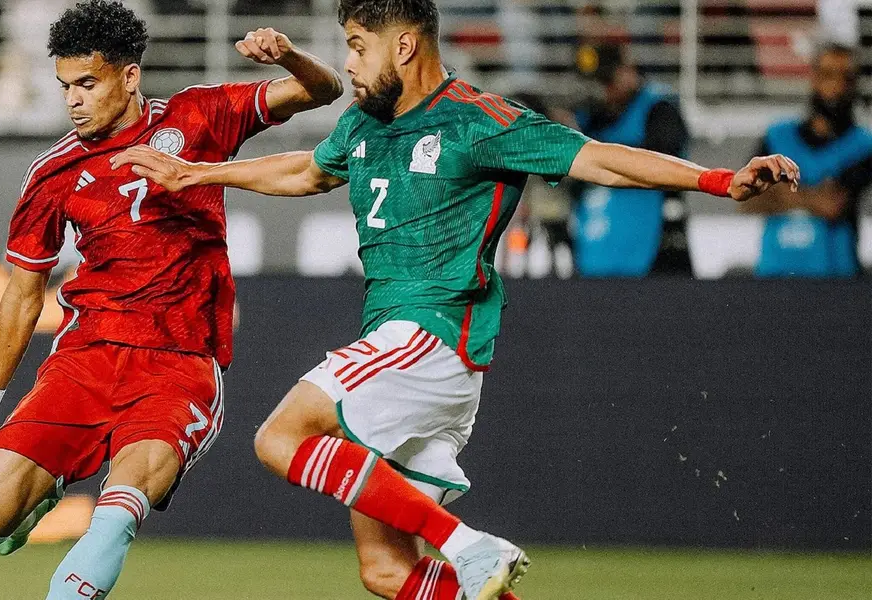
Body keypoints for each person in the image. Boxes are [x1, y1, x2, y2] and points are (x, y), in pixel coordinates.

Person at [111, 1, 798, 598]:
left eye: (357, 45)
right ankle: (468, 558)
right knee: (385, 571)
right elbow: (303, 170)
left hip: (431, 333)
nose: (347, 63)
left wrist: (717, 180)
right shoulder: (364, 123)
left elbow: (597, 157)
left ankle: (467, 542)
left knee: (280, 436)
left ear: (404, 45)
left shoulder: (481, 121)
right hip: (414, 355)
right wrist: (196, 172)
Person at [0, 2, 343, 599]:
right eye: (65, 87)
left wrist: (285, 54)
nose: (73, 100)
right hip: (87, 358)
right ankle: (45, 490)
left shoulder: (198, 116)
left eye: (87, 83)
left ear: (129, 76)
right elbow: (24, 293)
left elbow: (324, 89)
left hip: (179, 364)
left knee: (117, 509)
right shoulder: (53, 174)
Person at [742, 44, 871, 278]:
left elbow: (833, 204)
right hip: (774, 273)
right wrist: (813, 196)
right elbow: (746, 200)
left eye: (846, 77)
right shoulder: (777, 136)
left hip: (836, 277)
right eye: (828, 75)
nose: (837, 86)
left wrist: (780, 192)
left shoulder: (864, 145)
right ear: (813, 77)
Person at [572, 42, 693, 277]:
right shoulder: (590, 116)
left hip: (654, 245)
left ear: (628, 71)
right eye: (596, 83)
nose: (603, 90)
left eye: (608, 81)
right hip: (596, 243)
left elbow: (663, 157)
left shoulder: (659, 108)